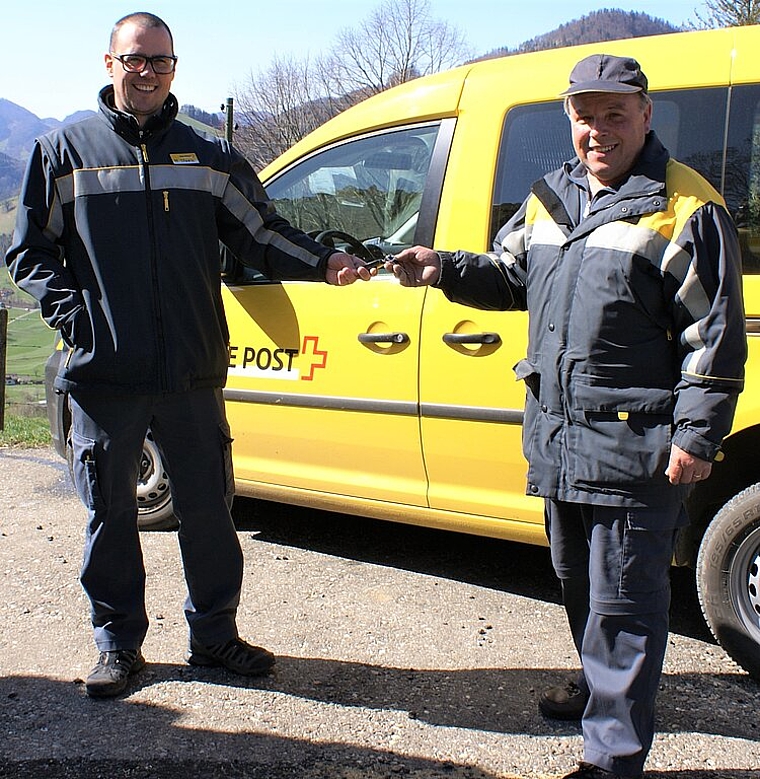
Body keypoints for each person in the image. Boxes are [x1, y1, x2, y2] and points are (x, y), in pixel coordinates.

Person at [386, 54, 746, 778]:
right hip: (558, 440)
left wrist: (696, 436)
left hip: (633, 445)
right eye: (585, 116)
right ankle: (601, 689)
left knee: (623, 603)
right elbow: (513, 274)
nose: (598, 130)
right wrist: (445, 267)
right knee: (578, 582)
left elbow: (712, 337)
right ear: (569, 120)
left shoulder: (684, 207)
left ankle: (610, 757)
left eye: (616, 114)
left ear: (647, 114)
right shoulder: (550, 196)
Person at [5, 12, 373, 699]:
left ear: (176, 68)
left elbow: (263, 234)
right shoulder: (63, 152)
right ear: (108, 63)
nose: (146, 72)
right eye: (134, 60)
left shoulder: (208, 158)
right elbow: (27, 250)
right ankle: (118, 644)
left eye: (160, 61)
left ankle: (214, 636)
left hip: (192, 371)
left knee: (208, 510)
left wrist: (326, 261)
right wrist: (77, 317)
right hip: (104, 374)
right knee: (110, 513)